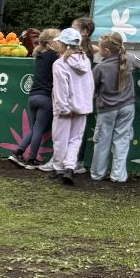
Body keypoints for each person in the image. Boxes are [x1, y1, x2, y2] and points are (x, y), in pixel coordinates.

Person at [48, 26, 92, 186]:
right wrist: (86, 104)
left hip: (65, 108)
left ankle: (58, 168)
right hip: (82, 107)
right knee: (75, 139)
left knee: (60, 139)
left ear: (64, 45)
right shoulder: (85, 61)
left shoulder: (60, 64)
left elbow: (61, 88)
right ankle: (69, 168)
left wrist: (62, 108)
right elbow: (89, 85)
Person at [9, 28, 59, 169]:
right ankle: (31, 159)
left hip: (33, 97)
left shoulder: (39, 56)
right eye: (58, 40)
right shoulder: (55, 57)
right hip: (46, 98)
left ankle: (18, 153)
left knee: (34, 128)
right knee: (39, 129)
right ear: (50, 42)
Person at [89, 31, 134, 184]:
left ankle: (97, 174)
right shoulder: (129, 60)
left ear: (106, 51)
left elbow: (91, 89)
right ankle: (118, 175)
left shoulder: (100, 68)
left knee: (102, 141)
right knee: (122, 141)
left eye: (100, 47)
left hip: (106, 109)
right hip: (127, 107)